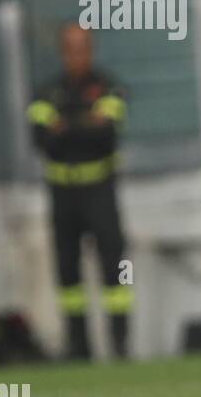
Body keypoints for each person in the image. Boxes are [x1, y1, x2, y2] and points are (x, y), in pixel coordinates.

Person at [27, 24, 132, 360]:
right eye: (71, 48)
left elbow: (106, 135)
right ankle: (79, 348)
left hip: (100, 189)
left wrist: (66, 127)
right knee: (68, 272)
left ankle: (119, 344)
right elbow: (43, 139)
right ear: (63, 51)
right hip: (62, 192)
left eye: (83, 47)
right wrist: (86, 123)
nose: (78, 55)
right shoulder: (46, 92)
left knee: (114, 266)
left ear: (92, 49)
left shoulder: (109, 86)